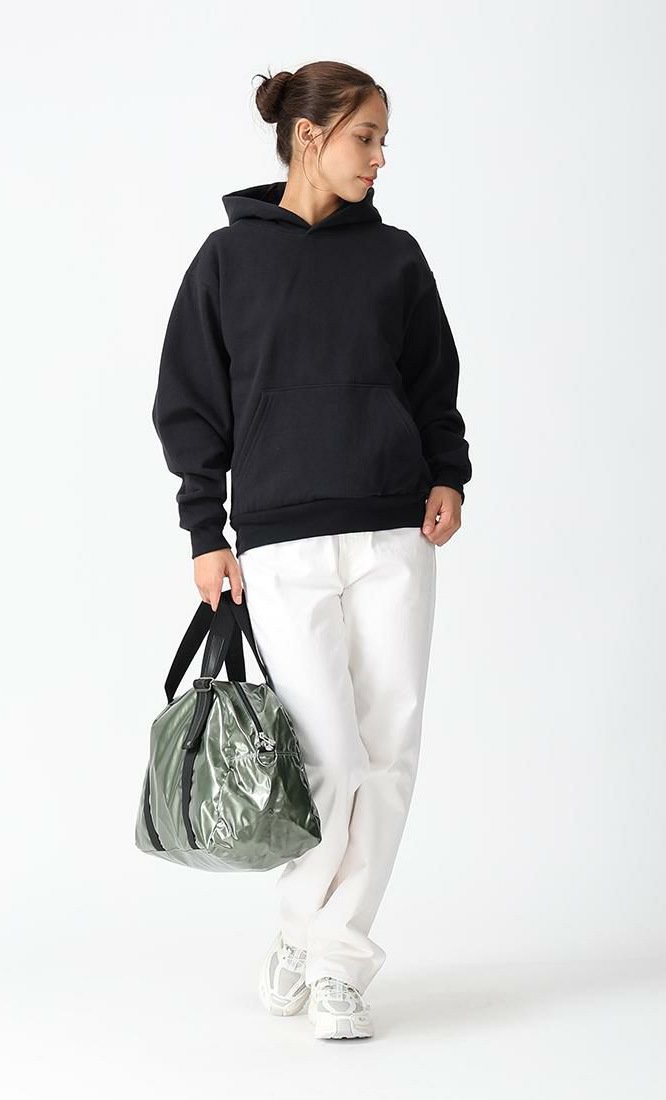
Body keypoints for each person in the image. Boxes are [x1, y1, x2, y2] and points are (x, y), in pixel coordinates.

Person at [150, 60, 472, 1040]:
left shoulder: (395, 258)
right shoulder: (227, 260)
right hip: (281, 540)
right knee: (327, 756)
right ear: (308, 136)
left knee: (390, 750)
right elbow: (189, 401)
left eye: (382, 139)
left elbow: (432, 381)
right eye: (364, 137)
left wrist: (448, 473)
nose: (379, 157)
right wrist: (204, 529)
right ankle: (304, 927)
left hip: (394, 529)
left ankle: (335, 958)